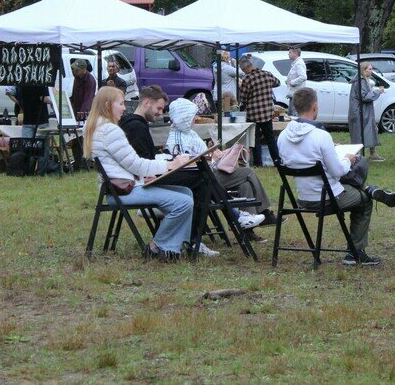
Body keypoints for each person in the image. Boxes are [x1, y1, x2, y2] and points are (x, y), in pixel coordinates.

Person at [119, 86, 263, 257]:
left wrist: (166, 160)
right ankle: (226, 220)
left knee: (202, 179)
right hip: (143, 180)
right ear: (146, 102)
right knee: (203, 178)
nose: (160, 113)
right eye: (158, 108)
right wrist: (169, 163)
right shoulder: (136, 127)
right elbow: (141, 162)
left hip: (148, 175)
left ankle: (196, 238)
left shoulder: (136, 125)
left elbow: (143, 158)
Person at [278, 87, 395, 266]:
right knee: (364, 200)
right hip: (327, 198)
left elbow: (300, 160)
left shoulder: (282, 136)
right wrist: (346, 159)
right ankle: (355, 252)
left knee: (344, 179)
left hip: (303, 197)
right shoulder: (320, 136)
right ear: (315, 107)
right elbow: (338, 172)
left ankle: (369, 189)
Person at [85, 86, 195, 262]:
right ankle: (158, 247)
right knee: (184, 201)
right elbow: (137, 165)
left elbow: (131, 163)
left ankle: (177, 244)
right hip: (123, 191)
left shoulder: (98, 128)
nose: (124, 108)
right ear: (107, 105)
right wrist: (171, 164)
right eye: (120, 104)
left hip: (117, 189)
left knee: (186, 193)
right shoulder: (110, 131)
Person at [166, 98, 272, 243]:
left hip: (207, 173)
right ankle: (264, 213)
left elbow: (202, 156)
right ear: (184, 117)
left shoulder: (189, 134)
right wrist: (212, 157)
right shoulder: (178, 138)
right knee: (247, 173)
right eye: (192, 116)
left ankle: (246, 230)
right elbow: (186, 163)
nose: (195, 119)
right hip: (201, 178)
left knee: (245, 185)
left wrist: (216, 155)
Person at [238, 56, 281, 166]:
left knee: (255, 140)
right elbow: (278, 83)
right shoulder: (267, 74)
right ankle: (277, 161)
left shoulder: (247, 80)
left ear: (246, 68)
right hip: (267, 113)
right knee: (270, 138)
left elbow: (243, 98)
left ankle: (258, 163)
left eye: (243, 70)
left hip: (253, 115)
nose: (243, 72)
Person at [349, 61, 385, 162]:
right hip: (360, 111)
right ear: (364, 70)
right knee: (359, 133)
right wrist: (378, 91)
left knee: (371, 129)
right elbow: (364, 96)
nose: (371, 71)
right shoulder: (360, 81)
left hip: (363, 110)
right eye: (369, 69)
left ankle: (372, 154)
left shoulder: (364, 80)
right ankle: (355, 156)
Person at [285, 46, 306, 115]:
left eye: (290, 52)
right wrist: (288, 81)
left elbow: (303, 77)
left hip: (297, 94)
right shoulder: (296, 63)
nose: (288, 54)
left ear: (295, 53)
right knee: (291, 113)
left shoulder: (299, 64)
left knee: (294, 114)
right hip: (294, 94)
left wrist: (292, 82)